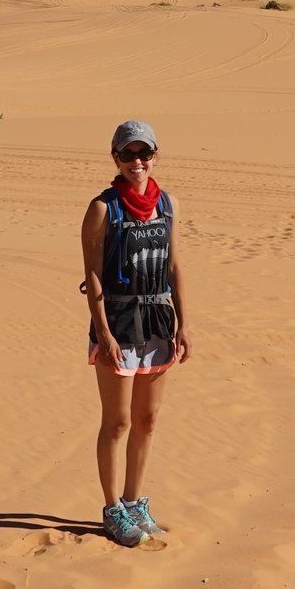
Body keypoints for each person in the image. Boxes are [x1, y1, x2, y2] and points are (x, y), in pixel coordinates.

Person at [80, 118, 188, 546]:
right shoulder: (103, 208)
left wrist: (185, 325)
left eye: (144, 153)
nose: (137, 161)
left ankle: (135, 500)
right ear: (116, 158)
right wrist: (103, 333)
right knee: (119, 421)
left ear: (155, 156)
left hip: (159, 322)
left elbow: (175, 265)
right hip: (119, 323)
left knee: (147, 419)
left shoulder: (169, 205)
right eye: (128, 154)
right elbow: (92, 273)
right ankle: (112, 510)